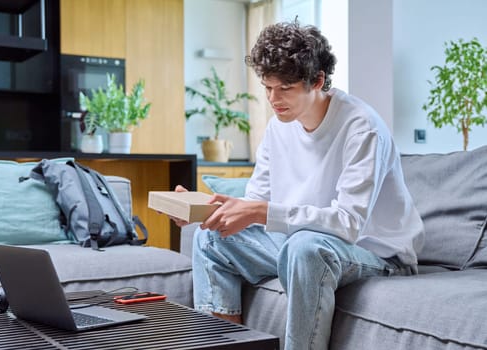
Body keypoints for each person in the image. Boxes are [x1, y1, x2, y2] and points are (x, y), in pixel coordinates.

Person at [171, 21, 425, 350]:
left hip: (377, 255)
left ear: (317, 80)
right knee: (210, 239)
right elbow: (255, 203)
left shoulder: (362, 128)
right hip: (301, 245)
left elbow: (348, 224)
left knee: (304, 246)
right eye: (267, 88)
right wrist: (206, 212)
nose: (273, 100)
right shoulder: (279, 127)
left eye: (285, 88)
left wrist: (261, 211)